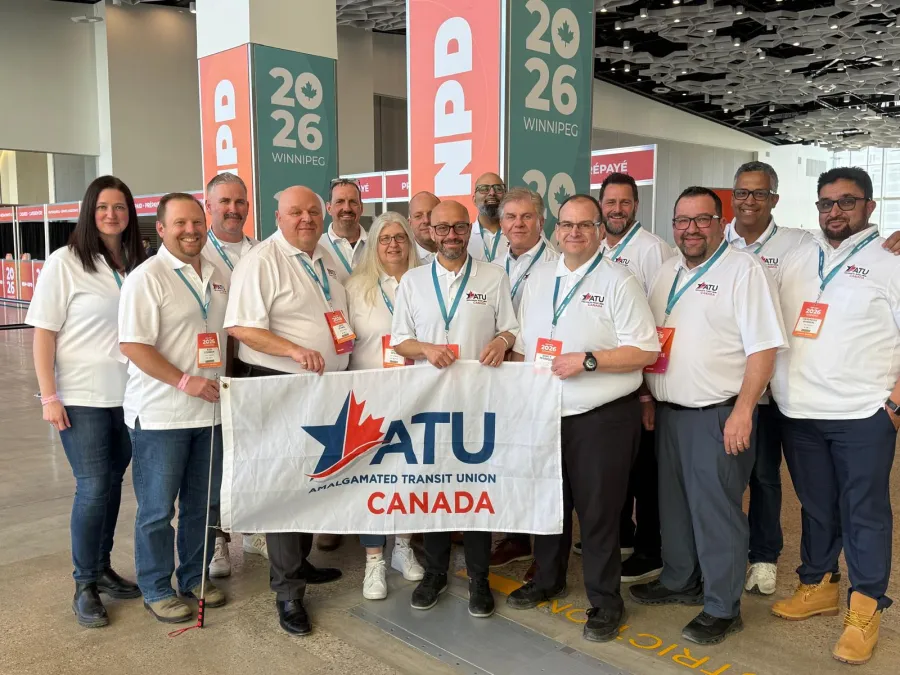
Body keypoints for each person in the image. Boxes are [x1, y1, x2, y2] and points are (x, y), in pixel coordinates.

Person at [631, 187, 786, 646]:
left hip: (718, 414)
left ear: (721, 223)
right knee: (674, 506)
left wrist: (743, 412)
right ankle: (679, 580)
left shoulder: (744, 271)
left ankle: (722, 606)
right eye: (682, 220)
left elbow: (764, 347)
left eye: (702, 220)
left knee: (716, 513)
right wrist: (649, 400)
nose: (691, 229)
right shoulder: (665, 272)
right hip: (670, 412)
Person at [506, 194, 659, 642]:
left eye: (585, 225)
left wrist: (587, 361)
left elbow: (646, 349)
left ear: (599, 232)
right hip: (546, 412)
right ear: (555, 230)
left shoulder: (618, 281)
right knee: (550, 506)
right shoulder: (540, 280)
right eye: (567, 225)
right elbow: (526, 342)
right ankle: (548, 578)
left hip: (601, 418)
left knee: (598, 514)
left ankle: (606, 601)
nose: (574, 232)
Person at [770, 167, 900, 665]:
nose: (835, 211)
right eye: (826, 203)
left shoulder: (890, 259)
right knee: (816, 505)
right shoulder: (802, 254)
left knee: (864, 512)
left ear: (869, 206)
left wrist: (894, 406)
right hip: (799, 410)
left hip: (863, 413)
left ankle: (865, 607)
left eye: (847, 201)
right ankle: (819, 584)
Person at [26, 175, 146, 628]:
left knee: (113, 483)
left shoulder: (136, 262)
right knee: (93, 486)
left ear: (130, 214)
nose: (111, 215)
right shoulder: (65, 262)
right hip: (81, 397)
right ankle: (83, 584)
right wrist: (49, 396)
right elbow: (43, 334)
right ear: (89, 212)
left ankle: (102, 567)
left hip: (130, 396)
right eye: (102, 207)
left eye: (119, 207)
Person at [224, 185, 343, 636]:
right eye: (297, 212)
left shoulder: (324, 259)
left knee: (313, 480)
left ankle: (303, 563)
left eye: (314, 212)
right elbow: (240, 327)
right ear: (278, 216)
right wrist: (295, 350)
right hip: (278, 385)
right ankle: (288, 592)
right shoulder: (262, 261)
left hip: (319, 388)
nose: (307, 219)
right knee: (284, 485)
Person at [391, 199, 518, 618]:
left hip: (478, 401)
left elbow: (510, 328)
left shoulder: (493, 276)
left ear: (469, 230)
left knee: (476, 490)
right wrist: (425, 349)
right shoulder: (412, 280)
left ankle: (479, 579)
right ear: (429, 230)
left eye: (458, 228)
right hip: (427, 403)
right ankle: (435, 574)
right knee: (433, 490)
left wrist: (502, 341)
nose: (450, 235)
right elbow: (399, 340)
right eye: (441, 228)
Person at [118, 193, 229, 623]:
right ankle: (156, 586)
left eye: (197, 223)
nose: (191, 230)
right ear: (160, 228)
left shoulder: (217, 275)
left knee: (201, 506)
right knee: (158, 510)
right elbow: (132, 344)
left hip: (210, 413)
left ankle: (194, 576)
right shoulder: (148, 278)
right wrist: (185, 381)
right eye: (180, 223)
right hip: (162, 413)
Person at [720, 161, 807, 596]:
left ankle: (765, 555)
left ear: (774, 198)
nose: (749, 201)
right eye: (742, 193)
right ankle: (726, 551)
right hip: (720, 384)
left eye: (759, 193)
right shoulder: (716, 242)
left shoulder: (798, 245)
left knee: (764, 476)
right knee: (723, 476)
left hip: (767, 386)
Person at [597, 172, 674, 585]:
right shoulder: (595, 247)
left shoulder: (652, 250)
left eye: (625, 203)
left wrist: (647, 394)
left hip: (640, 379)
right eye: (611, 202)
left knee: (646, 471)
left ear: (636, 207)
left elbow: (659, 326)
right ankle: (624, 536)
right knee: (620, 466)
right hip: (609, 377)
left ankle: (650, 548)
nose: (617, 210)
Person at [345, 212, 426, 599]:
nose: (393, 245)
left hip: (416, 395)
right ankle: (374, 559)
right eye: (384, 239)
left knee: (409, 475)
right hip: (371, 397)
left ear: (410, 242)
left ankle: (403, 547)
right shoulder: (355, 287)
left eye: (400, 237)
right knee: (373, 480)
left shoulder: (425, 282)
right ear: (374, 245)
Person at [488, 187, 559, 576]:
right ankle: (516, 538)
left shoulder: (556, 263)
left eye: (526, 217)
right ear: (501, 225)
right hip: (503, 378)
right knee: (511, 459)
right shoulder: (496, 265)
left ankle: (546, 553)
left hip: (537, 374)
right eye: (511, 217)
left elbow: (551, 321)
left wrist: (522, 349)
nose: (518, 224)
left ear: (541, 221)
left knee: (542, 462)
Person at [199, 172, 266, 578]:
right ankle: (217, 540)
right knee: (215, 457)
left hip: (255, 368)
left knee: (255, 452)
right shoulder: (197, 253)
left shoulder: (261, 251)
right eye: (224, 201)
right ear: (209, 206)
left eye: (240, 202)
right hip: (214, 368)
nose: (233, 209)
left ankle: (253, 531)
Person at [320, 178, 366, 285]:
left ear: (361, 207)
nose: (347, 208)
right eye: (339, 202)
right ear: (329, 208)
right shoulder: (317, 247)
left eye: (353, 202)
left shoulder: (376, 245)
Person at [468, 172, 509, 263]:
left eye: (498, 188)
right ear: (474, 200)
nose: (492, 193)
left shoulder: (518, 233)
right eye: (484, 189)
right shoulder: (465, 236)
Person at [409, 191, 440, 263]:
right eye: (418, 216)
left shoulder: (462, 251)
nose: (426, 221)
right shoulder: (403, 260)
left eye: (431, 214)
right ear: (410, 223)